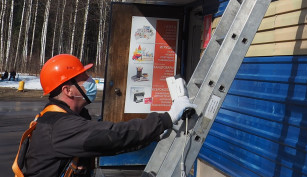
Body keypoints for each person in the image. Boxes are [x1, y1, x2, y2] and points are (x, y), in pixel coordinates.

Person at [12, 54, 194, 177]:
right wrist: (167, 118)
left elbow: (108, 142)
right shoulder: (60, 126)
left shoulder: (66, 117)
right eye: (84, 77)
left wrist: (153, 134)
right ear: (68, 90)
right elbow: (113, 136)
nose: (91, 81)